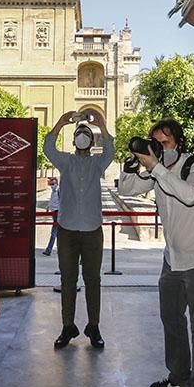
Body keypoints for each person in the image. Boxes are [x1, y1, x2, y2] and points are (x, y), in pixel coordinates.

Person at [118, 119, 194, 387]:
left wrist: (157, 169)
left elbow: (189, 194)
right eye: (155, 143)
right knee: (171, 319)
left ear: (179, 142)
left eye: (165, 143)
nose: (160, 149)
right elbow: (127, 188)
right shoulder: (157, 172)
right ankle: (178, 376)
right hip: (172, 259)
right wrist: (134, 165)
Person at [43, 109, 114, 350]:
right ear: (73, 140)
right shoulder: (66, 162)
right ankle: (67, 326)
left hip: (92, 230)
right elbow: (48, 149)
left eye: (86, 134)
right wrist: (60, 123)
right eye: (79, 133)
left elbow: (110, 149)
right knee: (68, 280)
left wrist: (101, 125)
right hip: (68, 230)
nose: (82, 137)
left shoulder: (98, 163)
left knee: (93, 279)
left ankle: (93, 326)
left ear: (91, 141)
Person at [42, 177, 60, 256]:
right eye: (50, 184)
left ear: (56, 183)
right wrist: (48, 207)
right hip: (54, 212)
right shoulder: (53, 191)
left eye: (52, 184)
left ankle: (49, 250)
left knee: (54, 232)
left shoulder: (59, 190)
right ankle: (60, 248)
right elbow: (52, 200)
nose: (51, 186)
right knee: (58, 232)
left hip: (58, 213)